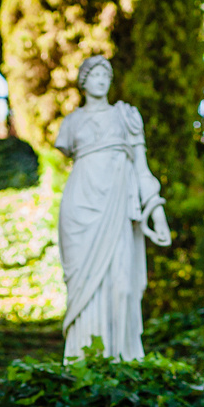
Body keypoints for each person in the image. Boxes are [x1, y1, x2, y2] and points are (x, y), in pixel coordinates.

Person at [55, 54, 171, 362]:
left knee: (123, 286)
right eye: (94, 74)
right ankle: (83, 362)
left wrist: (156, 211)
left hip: (118, 207)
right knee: (84, 289)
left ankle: (122, 363)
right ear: (83, 81)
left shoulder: (126, 116)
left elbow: (143, 169)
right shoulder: (71, 122)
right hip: (80, 206)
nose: (102, 80)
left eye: (106, 74)